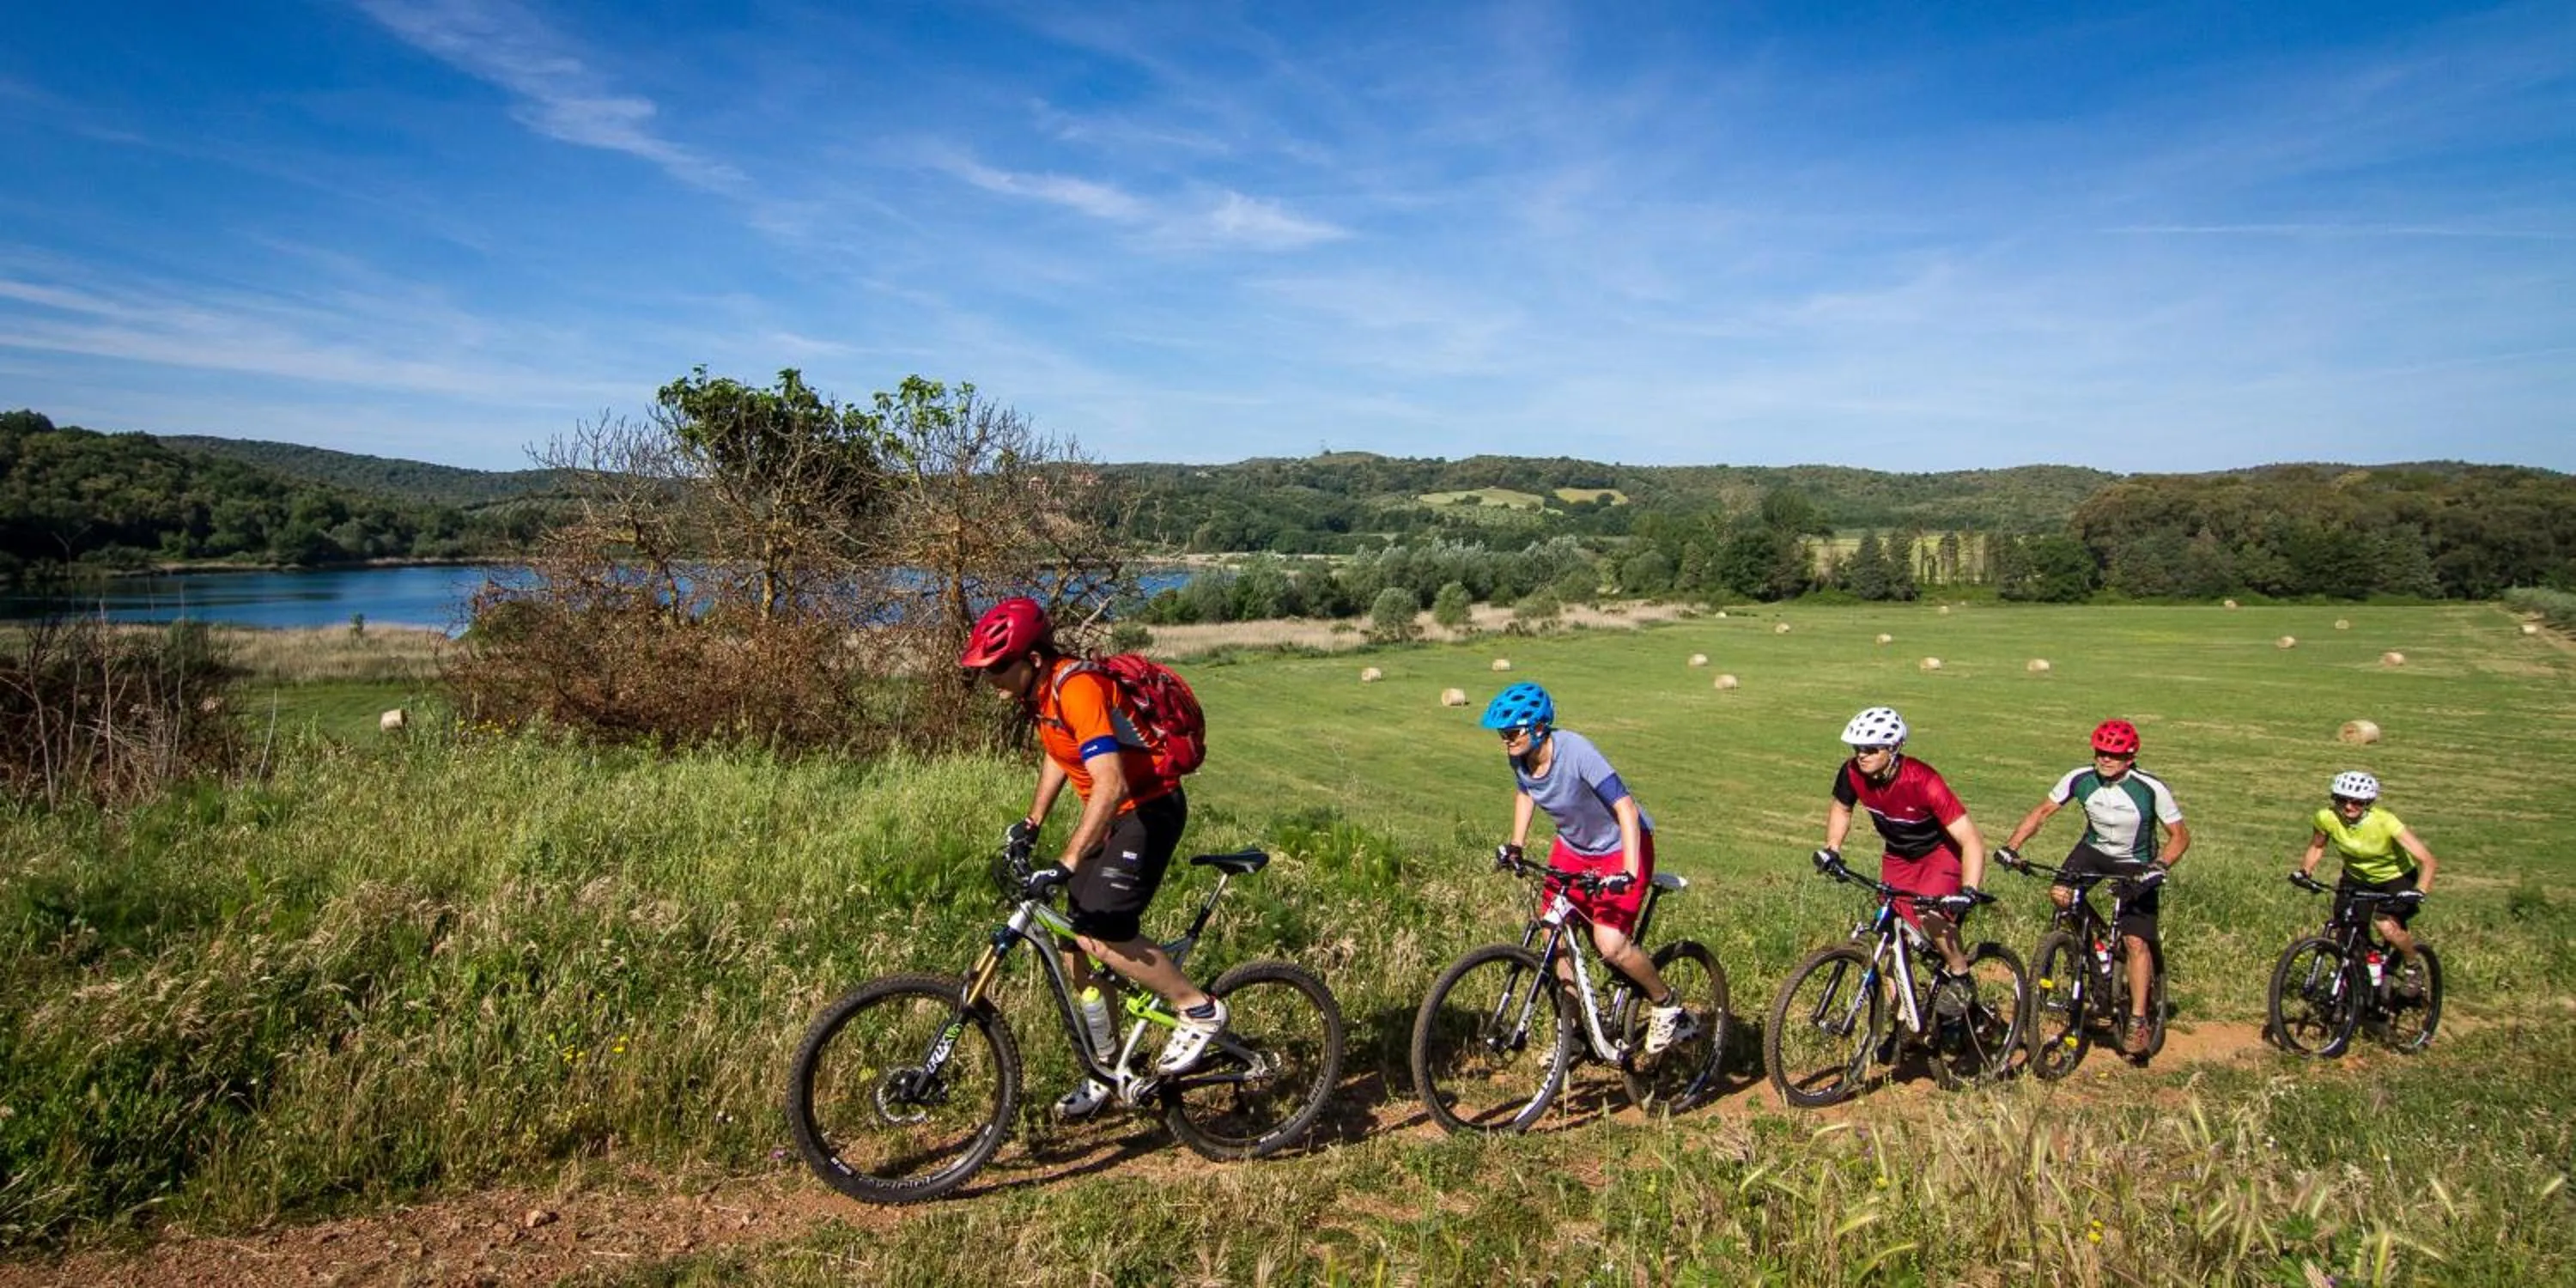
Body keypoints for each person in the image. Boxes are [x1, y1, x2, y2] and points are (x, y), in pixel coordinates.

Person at [961, 596, 1222, 1118]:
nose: (990, 677)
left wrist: (1068, 859)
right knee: (1074, 943)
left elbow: (1111, 784)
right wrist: (1032, 823)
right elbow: (1060, 755)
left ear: (1033, 659)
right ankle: (1106, 1070)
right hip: (1114, 816)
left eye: (998, 666)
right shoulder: (1043, 696)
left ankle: (1198, 1010)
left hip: (1147, 811)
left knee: (1103, 931)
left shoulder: (1077, 689)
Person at [1480, 682, 1698, 1056]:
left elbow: (1625, 808)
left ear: (1538, 728)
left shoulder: (1577, 751)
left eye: (1512, 732)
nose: (1506, 740)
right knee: (1552, 931)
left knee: (1610, 944)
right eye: (1502, 733)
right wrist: (1516, 845)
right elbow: (1526, 793)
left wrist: (1628, 871)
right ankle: (1575, 1033)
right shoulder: (1520, 757)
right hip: (1574, 849)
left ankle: (1667, 1004)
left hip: (1622, 846)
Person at [1993, 718, 2191, 1055]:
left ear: (2130, 757)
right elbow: (2042, 812)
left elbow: (2181, 836)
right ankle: (2094, 948)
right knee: (2060, 894)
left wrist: (2159, 867)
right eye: (2101, 752)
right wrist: (2011, 847)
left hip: (2136, 861)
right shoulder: (2080, 778)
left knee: (2135, 941)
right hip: (2094, 852)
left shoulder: (2149, 788)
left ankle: (2138, 1019)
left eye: (2114, 754)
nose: (2105, 759)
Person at [1816, 705, 1990, 1018]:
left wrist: (1969, 890)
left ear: (1894, 748)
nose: (1862, 755)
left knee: (1930, 914)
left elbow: (1971, 839)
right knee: (1889, 934)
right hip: (1897, 855)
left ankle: (1961, 975)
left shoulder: (1923, 780)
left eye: (1871, 749)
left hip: (1939, 854)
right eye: (1858, 748)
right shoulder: (1852, 773)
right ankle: (1902, 1021)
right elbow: (1842, 807)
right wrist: (1832, 848)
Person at [2293, 770, 2439, 996]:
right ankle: (2358, 985)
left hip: (2395, 878)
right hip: (2357, 878)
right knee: (2345, 931)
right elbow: (2317, 846)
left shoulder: (2385, 822)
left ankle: (2413, 966)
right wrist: (2305, 872)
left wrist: (2420, 890)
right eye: (2342, 800)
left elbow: (2428, 861)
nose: (2348, 806)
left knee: (2386, 925)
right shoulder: (2325, 818)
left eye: (2357, 802)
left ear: (2368, 803)